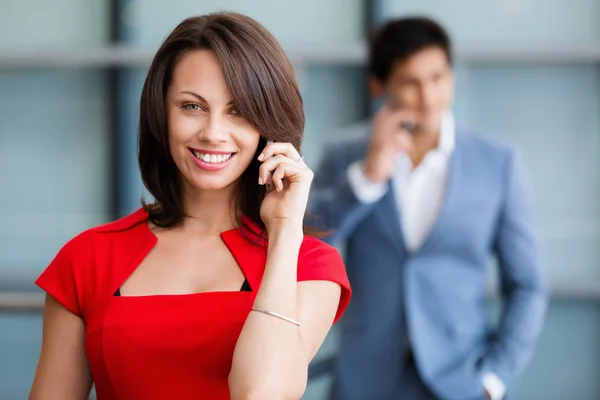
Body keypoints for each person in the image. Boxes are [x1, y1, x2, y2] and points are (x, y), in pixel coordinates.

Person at [29, 12, 351, 400]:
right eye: (192, 106)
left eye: (238, 110)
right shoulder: (87, 258)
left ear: (267, 123)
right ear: (161, 113)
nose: (213, 133)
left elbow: (262, 393)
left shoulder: (310, 266)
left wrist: (285, 232)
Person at [309, 17, 548, 400]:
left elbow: (528, 285)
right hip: (364, 381)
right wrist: (367, 177)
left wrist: (494, 379)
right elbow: (309, 238)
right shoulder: (345, 155)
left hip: (461, 381)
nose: (428, 96)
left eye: (438, 77)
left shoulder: (497, 163)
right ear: (378, 86)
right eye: (410, 82)